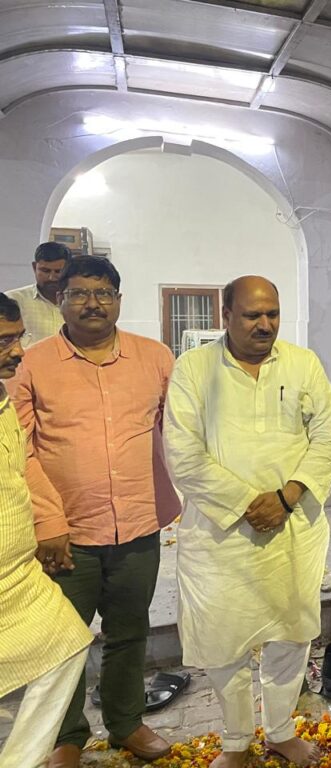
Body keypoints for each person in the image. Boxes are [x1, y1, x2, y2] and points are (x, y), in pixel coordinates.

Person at [162, 276, 331, 768]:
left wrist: (287, 497)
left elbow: (327, 438)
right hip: (220, 534)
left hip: (294, 528)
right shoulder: (194, 369)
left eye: (272, 314)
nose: (265, 324)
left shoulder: (303, 364)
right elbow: (183, 455)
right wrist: (249, 503)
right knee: (224, 642)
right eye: (252, 315)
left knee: (292, 634)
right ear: (225, 316)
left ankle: (281, 731)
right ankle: (236, 742)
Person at [9, 256, 178, 767]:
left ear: (119, 300)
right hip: (66, 533)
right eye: (79, 293)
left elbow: (178, 431)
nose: (92, 303)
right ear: (59, 300)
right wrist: (47, 521)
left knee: (130, 631)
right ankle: (67, 736)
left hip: (138, 525)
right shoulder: (33, 363)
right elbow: (20, 448)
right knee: (63, 643)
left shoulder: (155, 358)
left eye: (103, 293)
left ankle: (127, 723)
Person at [0, 294, 94, 768]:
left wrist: (50, 521)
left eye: (18, 338)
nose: (18, 352)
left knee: (67, 643)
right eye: (4, 341)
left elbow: (21, 467)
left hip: (17, 574)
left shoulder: (2, 400)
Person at [5, 242, 71, 347]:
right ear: (34, 267)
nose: (51, 277)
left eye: (58, 271)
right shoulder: (12, 301)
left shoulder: (78, 303)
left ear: (69, 270)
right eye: (45, 271)